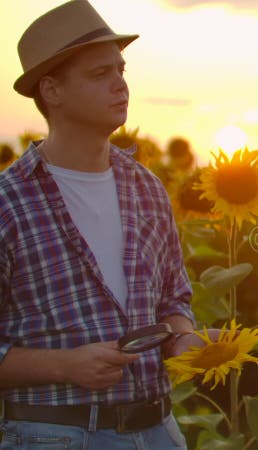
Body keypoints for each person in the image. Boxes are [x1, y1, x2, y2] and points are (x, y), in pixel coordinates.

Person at [0, 1, 203, 447]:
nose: (120, 86)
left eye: (122, 71)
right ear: (51, 91)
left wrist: (183, 341)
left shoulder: (147, 188)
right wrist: (64, 365)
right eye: (100, 75)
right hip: (55, 433)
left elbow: (174, 300)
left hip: (158, 430)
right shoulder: (9, 202)